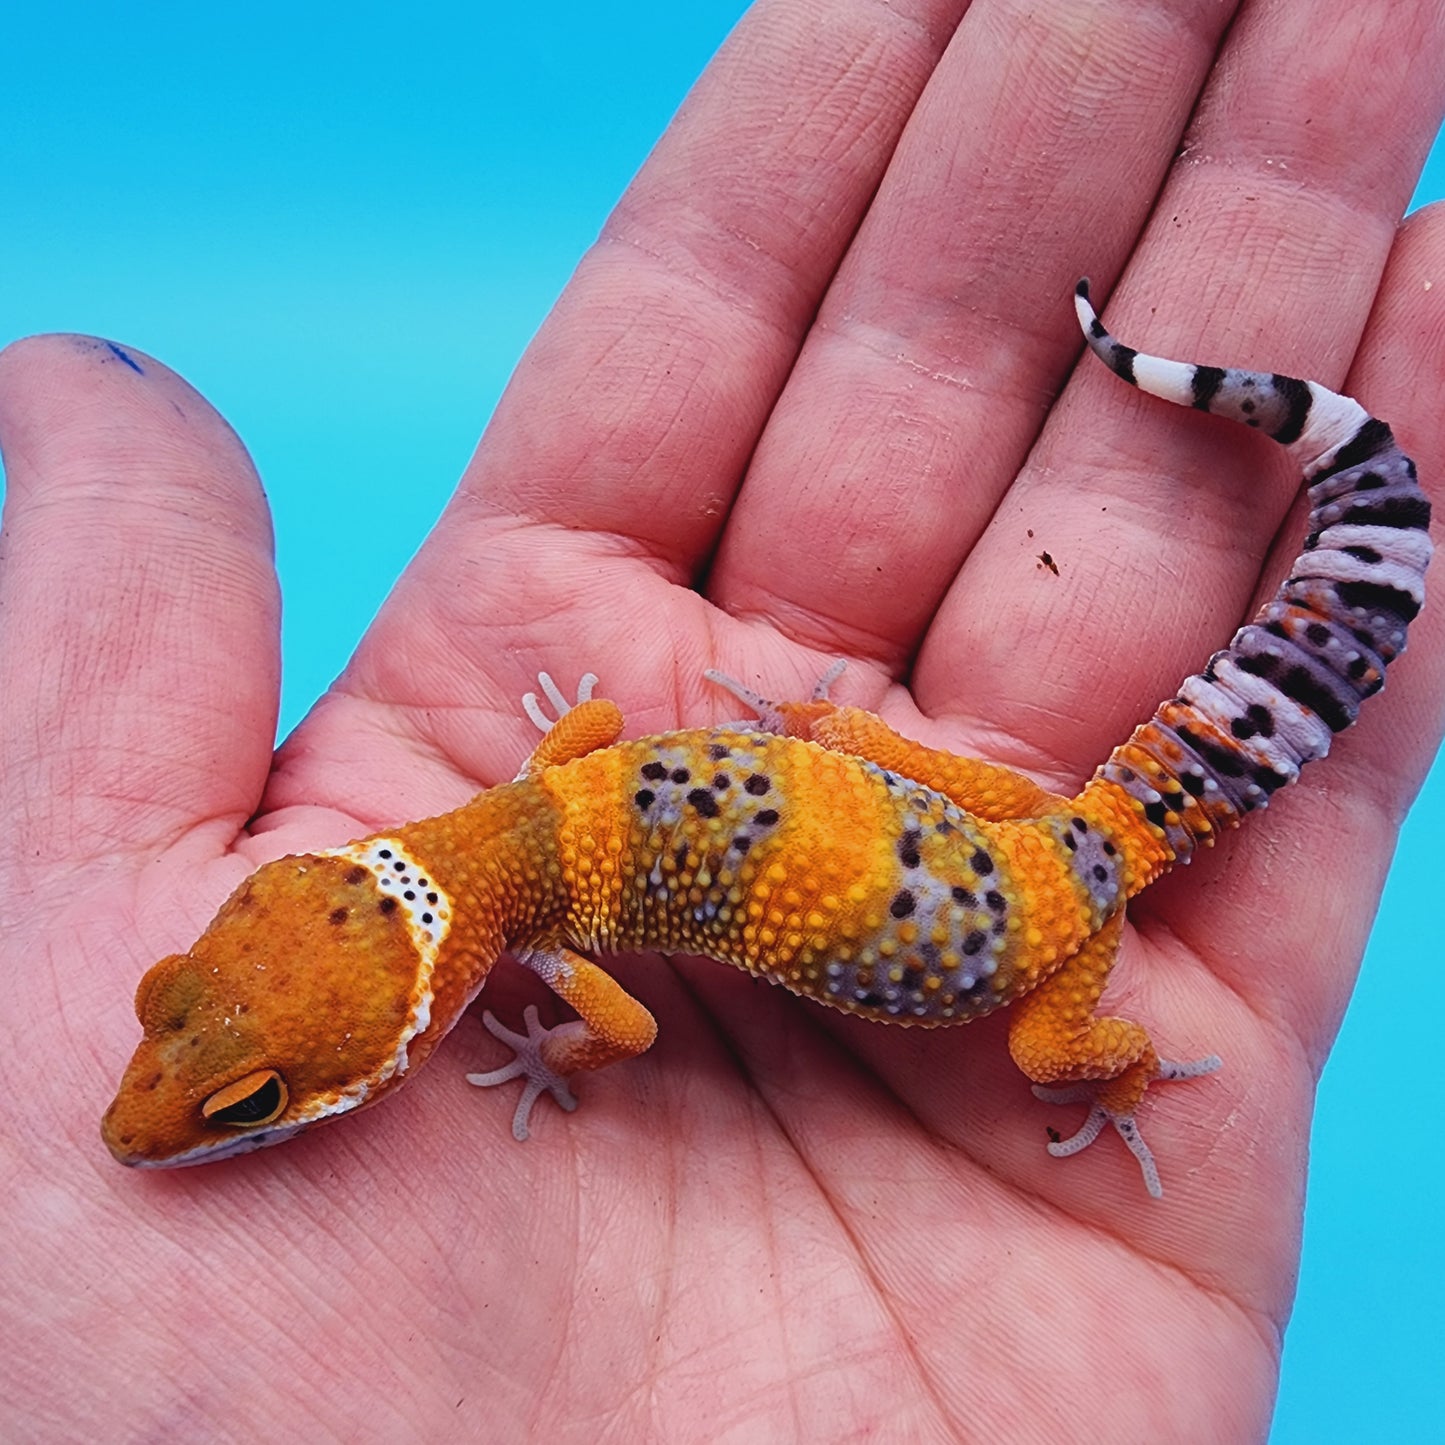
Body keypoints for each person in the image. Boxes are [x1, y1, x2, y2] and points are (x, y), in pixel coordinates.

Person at [2, 1, 1441, 1437]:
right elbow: (592, 734)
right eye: (197, 1042)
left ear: (416, 1016)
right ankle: (1330, 493)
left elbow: (616, 1032)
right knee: (863, 772)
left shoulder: (552, 945)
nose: (166, 1106)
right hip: (1009, 820)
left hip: (1045, 926)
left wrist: (547, 1050)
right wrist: (833, 740)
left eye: (249, 1094)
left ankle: (1110, 1057)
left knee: (1044, 1056)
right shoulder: (525, 807)